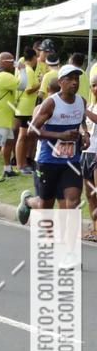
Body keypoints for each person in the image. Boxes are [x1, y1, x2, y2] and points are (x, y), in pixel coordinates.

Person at [16, 65, 88, 224]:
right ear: (61, 82)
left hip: (71, 161)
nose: (74, 82)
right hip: (48, 161)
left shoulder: (81, 101)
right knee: (45, 206)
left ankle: (68, 243)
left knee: (73, 203)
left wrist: (85, 134)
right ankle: (28, 201)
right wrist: (59, 135)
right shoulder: (51, 103)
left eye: (76, 79)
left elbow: (82, 122)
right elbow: (31, 131)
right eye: (70, 79)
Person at [0, 52, 27, 184]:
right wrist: (22, 69)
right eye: (11, 60)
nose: (13, 63)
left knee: (9, 142)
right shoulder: (4, 76)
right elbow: (22, 85)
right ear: (3, 61)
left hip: (2, 117)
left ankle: (7, 169)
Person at [14, 47, 40, 174]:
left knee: (24, 136)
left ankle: (22, 162)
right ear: (34, 58)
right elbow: (28, 90)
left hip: (23, 107)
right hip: (24, 107)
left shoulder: (23, 69)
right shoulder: (28, 70)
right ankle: (20, 165)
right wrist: (41, 83)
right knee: (22, 136)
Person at [80, 74, 97, 241]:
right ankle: (95, 230)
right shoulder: (90, 105)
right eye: (94, 85)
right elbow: (83, 125)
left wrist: (84, 110)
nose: (96, 88)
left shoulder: (88, 108)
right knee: (90, 194)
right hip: (86, 154)